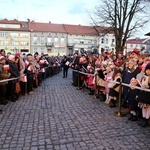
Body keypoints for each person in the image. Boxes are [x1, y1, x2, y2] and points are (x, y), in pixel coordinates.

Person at [137, 63, 150, 127]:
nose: (147, 71)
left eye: (149, 70)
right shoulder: (144, 77)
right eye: (147, 70)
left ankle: (146, 121)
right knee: (143, 107)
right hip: (143, 94)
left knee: (148, 108)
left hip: (148, 95)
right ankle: (143, 119)